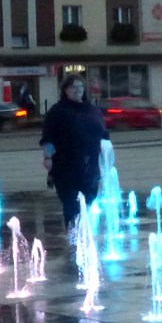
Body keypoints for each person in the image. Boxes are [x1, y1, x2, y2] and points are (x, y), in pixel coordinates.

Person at [40, 74, 109, 233]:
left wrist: (106, 154)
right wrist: (48, 157)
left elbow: (104, 134)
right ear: (65, 90)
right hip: (66, 165)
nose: (77, 90)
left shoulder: (92, 110)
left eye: (80, 87)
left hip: (90, 165)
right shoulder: (58, 111)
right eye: (73, 87)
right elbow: (48, 137)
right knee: (71, 202)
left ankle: (83, 233)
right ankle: (73, 236)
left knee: (89, 199)